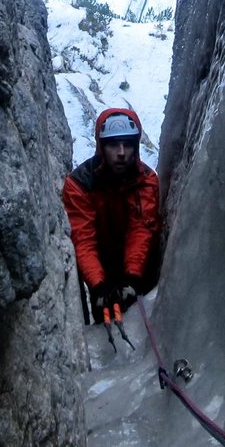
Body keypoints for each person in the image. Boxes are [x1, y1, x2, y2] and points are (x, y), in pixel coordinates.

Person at [61, 107, 161, 320]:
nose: (122, 152)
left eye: (128, 144)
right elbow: (83, 238)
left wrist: (132, 278)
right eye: (114, 145)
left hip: (140, 269)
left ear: (136, 147)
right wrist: (98, 285)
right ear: (102, 146)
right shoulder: (79, 185)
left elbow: (141, 229)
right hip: (102, 267)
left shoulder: (146, 180)